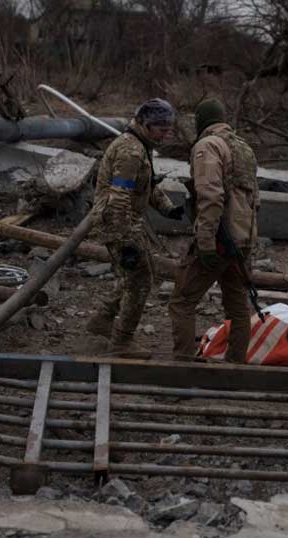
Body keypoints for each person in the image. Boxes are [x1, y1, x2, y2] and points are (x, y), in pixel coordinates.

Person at [86, 98, 185, 357]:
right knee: (140, 281)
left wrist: (169, 209)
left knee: (135, 275)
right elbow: (120, 196)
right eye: (162, 129)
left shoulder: (141, 145)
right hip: (118, 224)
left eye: (168, 129)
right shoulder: (130, 152)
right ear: (146, 125)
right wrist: (125, 240)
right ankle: (122, 342)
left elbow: (146, 185)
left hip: (126, 223)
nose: (166, 134)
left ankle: (103, 320)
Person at [168, 98, 260, 363]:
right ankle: (235, 366)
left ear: (201, 121)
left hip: (220, 238)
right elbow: (256, 198)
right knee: (238, 307)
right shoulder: (244, 148)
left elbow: (210, 196)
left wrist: (206, 242)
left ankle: (183, 367)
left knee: (181, 302)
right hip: (242, 239)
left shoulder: (208, 145)